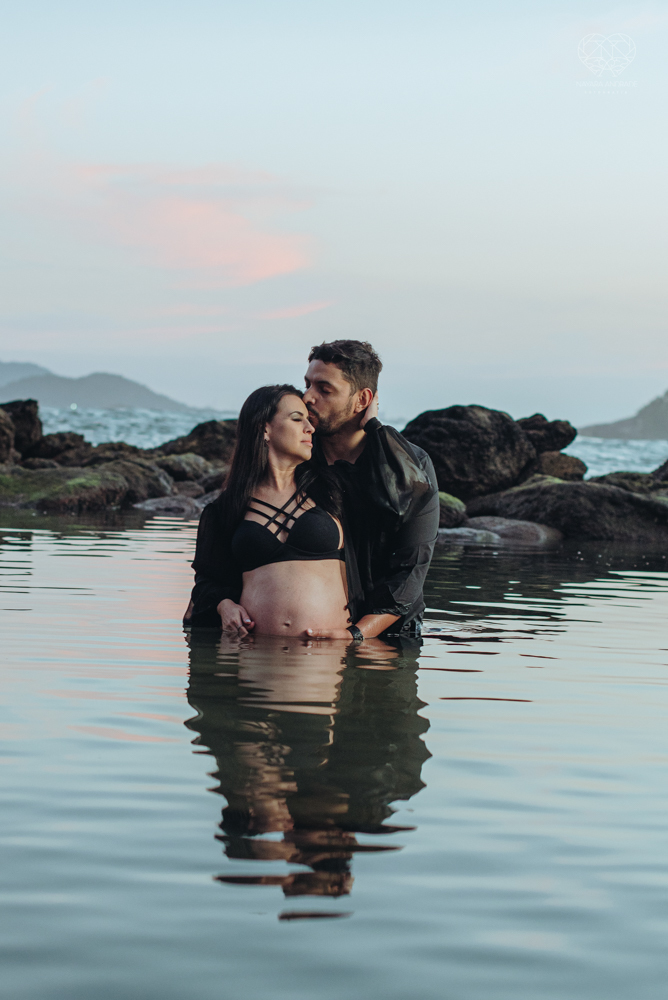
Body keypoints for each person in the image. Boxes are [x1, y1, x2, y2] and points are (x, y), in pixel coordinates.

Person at [184, 384, 363, 638]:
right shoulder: (226, 508)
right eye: (296, 419)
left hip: (328, 659)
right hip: (253, 659)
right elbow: (206, 583)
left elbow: (387, 480)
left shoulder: (332, 492)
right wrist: (224, 606)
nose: (310, 429)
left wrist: (370, 423)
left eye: (309, 421)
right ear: (264, 428)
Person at [303, 340, 439, 639]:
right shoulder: (298, 457)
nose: (308, 398)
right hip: (313, 631)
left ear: (362, 400)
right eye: (308, 385)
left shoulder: (411, 466)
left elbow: (411, 567)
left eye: (324, 389)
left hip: (392, 637)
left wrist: (357, 634)